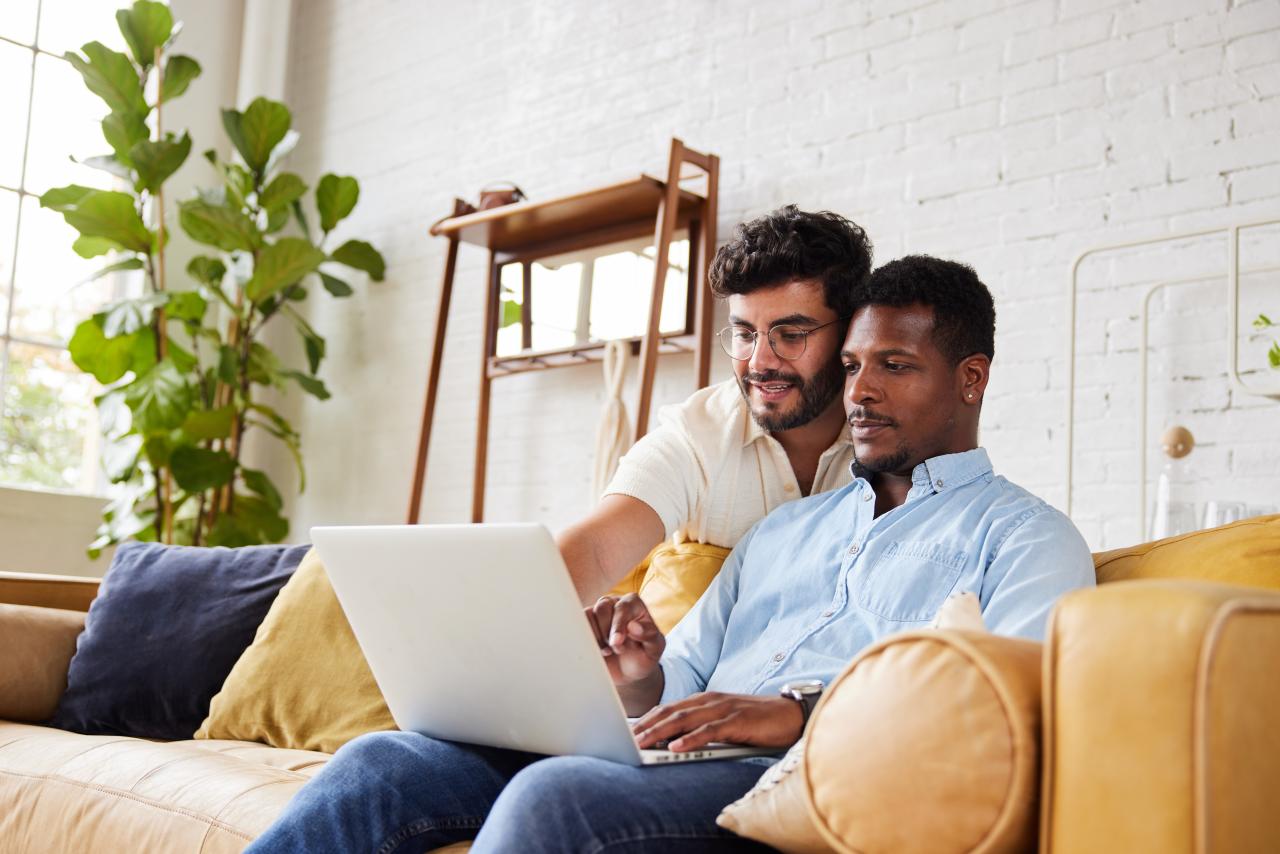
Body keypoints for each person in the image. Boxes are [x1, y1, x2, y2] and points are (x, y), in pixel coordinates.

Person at [246, 255, 1095, 854]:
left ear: (972, 378)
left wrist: (801, 711)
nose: (862, 392)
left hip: (794, 782)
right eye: (854, 366)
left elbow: (1008, 707)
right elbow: (676, 687)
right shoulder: (782, 534)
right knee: (385, 762)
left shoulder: (1024, 537)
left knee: (557, 801)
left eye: (896, 367)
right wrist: (639, 670)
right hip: (672, 755)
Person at [559, 205, 873, 603]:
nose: (759, 362)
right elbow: (596, 551)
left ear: (851, 334)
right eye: (744, 333)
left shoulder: (888, 437)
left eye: (791, 334)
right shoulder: (696, 436)